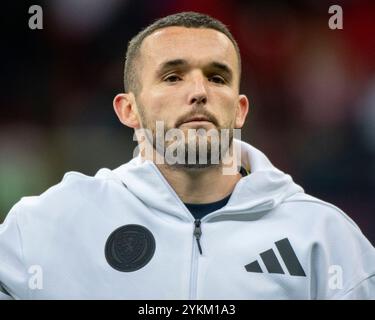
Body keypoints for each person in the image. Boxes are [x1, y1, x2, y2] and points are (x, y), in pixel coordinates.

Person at [0, 11, 374, 300]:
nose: (198, 91)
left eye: (217, 77)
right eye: (173, 76)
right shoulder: (47, 226)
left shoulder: (324, 237)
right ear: (127, 110)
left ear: (240, 109)